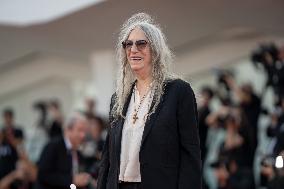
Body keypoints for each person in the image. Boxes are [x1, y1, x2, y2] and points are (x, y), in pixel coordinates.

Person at [97, 13, 201, 189]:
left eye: (141, 43)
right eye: (128, 44)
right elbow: (108, 159)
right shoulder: (118, 98)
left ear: (156, 49)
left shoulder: (178, 91)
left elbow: (190, 154)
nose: (133, 49)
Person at [36, 112, 91, 189]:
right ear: (67, 130)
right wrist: (71, 179)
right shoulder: (53, 146)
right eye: (80, 130)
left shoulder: (78, 153)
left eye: (85, 131)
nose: (83, 135)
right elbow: (42, 175)